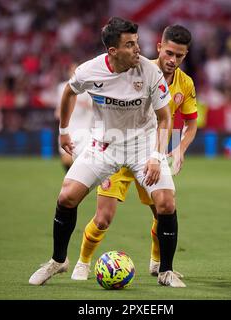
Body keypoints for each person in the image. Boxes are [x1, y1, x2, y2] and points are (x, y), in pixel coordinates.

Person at [28, 17, 185, 288]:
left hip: (143, 146)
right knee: (66, 196)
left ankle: (166, 271)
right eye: (130, 45)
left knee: (166, 203)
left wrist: (158, 156)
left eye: (137, 43)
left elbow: (164, 118)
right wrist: (63, 130)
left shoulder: (150, 72)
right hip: (104, 145)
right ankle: (58, 260)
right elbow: (69, 92)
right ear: (113, 51)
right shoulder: (90, 71)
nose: (138, 49)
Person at [70, 25, 198, 281]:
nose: (173, 61)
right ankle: (82, 262)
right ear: (159, 48)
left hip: (152, 153)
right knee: (103, 218)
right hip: (118, 146)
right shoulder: (137, 68)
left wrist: (180, 149)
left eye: (180, 56)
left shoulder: (186, 84)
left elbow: (191, 122)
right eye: (169, 53)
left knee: (162, 210)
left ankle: (158, 263)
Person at [54, 62, 93, 171]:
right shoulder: (62, 87)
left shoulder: (89, 88)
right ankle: (73, 180)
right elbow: (59, 108)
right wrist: (59, 112)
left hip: (85, 128)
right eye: (72, 70)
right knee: (66, 159)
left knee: (82, 161)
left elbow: (95, 108)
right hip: (68, 128)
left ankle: (78, 182)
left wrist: (83, 104)